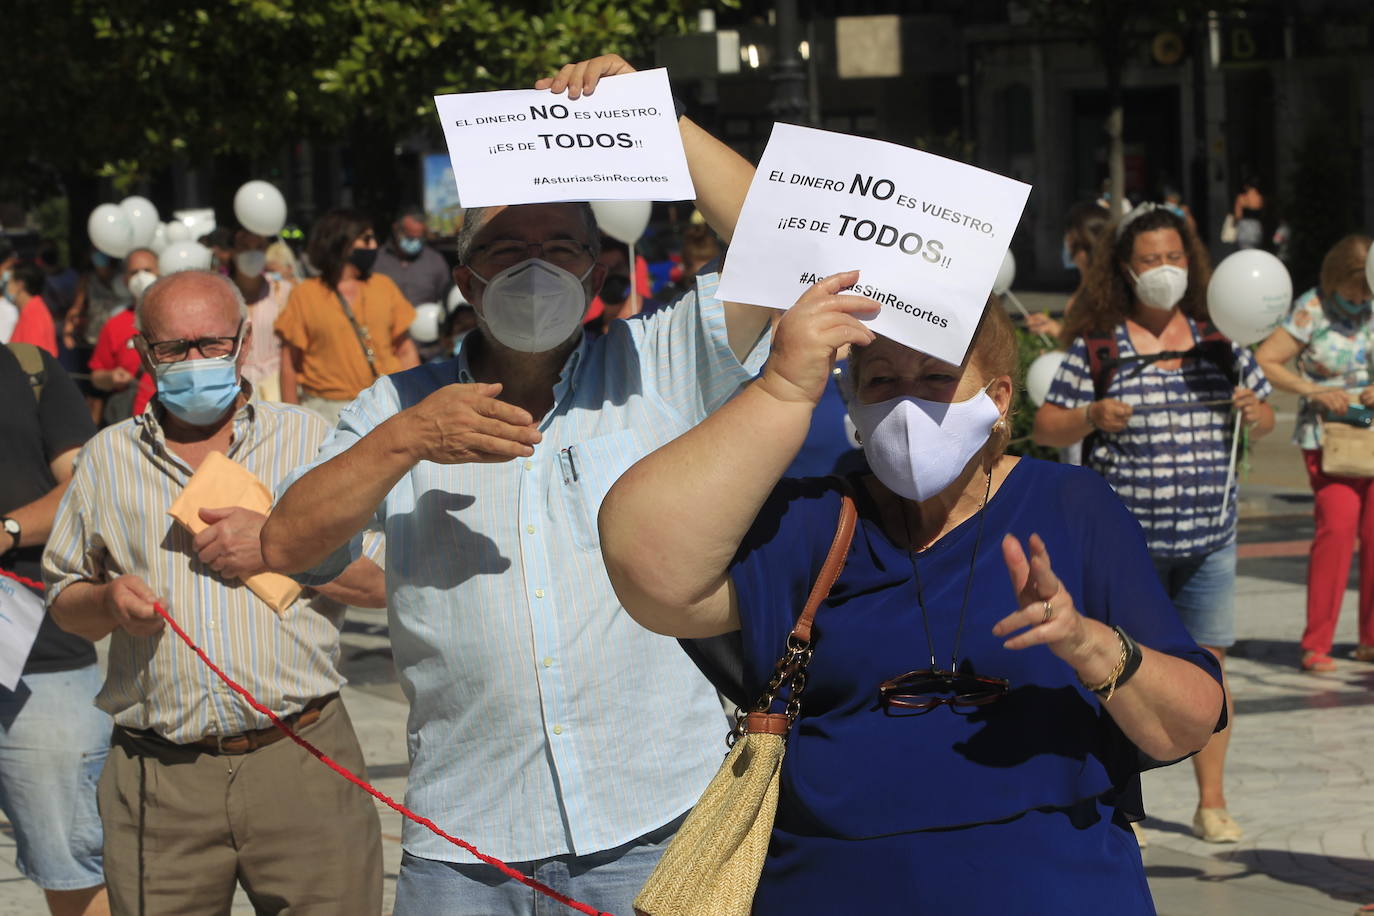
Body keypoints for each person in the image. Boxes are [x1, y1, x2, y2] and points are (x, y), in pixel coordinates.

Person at [261, 53, 772, 916]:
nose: (533, 266)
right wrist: (406, 441)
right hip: (465, 841)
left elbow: (784, 244)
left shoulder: (662, 363)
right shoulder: (397, 405)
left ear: (597, 274)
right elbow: (288, 544)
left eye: (559, 247)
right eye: (505, 249)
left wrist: (655, 119)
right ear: (466, 281)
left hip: (654, 821)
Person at [597, 274, 1225, 913]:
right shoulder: (818, 518)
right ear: (853, 403)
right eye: (881, 381)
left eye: (935, 379)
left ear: (998, 397)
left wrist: (1092, 648)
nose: (906, 404)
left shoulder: (1072, 506)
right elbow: (648, 570)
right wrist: (781, 388)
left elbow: (1190, 722)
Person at [44, 270, 387, 914]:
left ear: (243, 339)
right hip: (160, 778)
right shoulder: (106, 458)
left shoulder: (313, 442)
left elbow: (380, 585)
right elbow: (65, 600)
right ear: (145, 351)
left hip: (303, 755)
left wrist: (278, 544)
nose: (194, 361)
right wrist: (108, 600)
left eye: (210, 343)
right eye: (174, 348)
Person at [1031, 203, 1275, 844]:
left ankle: (1212, 802)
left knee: (1209, 673)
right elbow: (1049, 424)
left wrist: (1256, 408)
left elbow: (1266, 418)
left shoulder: (1220, 344)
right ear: (1125, 270)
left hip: (1210, 541)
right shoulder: (1102, 348)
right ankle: (1123, 805)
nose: (1163, 270)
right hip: (1126, 551)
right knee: (1115, 671)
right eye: (1149, 261)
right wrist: (1092, 416)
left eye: (1173, 258)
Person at [0, 342, 110, 916]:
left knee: (75, 862)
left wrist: (9, 529)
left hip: (39, 658)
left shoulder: (29, 369)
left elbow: (83, 486)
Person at [1255, 234, 1374, 672]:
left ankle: (1371, 641)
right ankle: (1317, 643)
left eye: (1367, 291)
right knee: (1337, 531)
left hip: (1373, 430)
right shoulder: (1313, 309)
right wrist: (1315, 391)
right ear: (1335, 278)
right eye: (1354, 290)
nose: (1361, 299)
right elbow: (1268, 359)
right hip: (1328, 439)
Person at [274, 209, 419, 422]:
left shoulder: (384, 286)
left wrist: (414, 402)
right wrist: (291, 419)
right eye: (366, 239)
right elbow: (289, 365)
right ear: (340, 241)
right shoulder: (304, 294)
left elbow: (406, 351)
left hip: (386, 404)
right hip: (326, 411)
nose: (374, 246)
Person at [89, 248, 159, 424]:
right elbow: (96, 376)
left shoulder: (179, 317)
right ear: (125, 279)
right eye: (134, 272)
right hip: (130, 421)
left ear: (160, 272)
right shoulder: (114, 324)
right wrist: (110, 378)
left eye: (147, 270)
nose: (141, 277)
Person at [1027, 201, 1110, 340]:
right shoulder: (1088, 284)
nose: (1066, 242)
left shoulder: (1104, 293)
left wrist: (1058, 331)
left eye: (1069, 236)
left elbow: (1097, 345)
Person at [229, 227, 290, 401]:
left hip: (276, 388)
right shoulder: (221, 295)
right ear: (233, 252)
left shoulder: (282, 290)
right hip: (235, 389)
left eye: (258, 247)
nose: (252, 253)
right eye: (245, 246)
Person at [373, 207, 452, 307]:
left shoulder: (435, 261)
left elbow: (444, 298)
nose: (414, 242)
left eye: (419, 238)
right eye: (410, 237)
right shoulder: (377, 260)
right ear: (395, 229)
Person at [7, 262, 58, 356]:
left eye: (9, 282)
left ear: (20, 285)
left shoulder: (33, 316)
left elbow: (32, 361)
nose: (7, 287)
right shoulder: (32, 310)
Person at [1233, 177, 1266, 250]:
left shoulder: (1241, 198)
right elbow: (1263, 214)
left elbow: (1238, 215)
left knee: (1244, 251)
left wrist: (1234, 224)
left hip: (1244, 227)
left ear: (1247, 186)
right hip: (1256, 227)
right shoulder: (1259, 198)